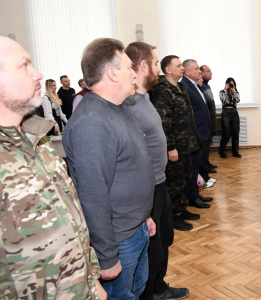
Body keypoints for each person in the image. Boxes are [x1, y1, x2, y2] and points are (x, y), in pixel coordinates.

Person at [0, 36, 106, 299]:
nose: (38, 73)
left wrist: (92, 280)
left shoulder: (39, 139)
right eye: (24, 66)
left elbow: (72, 215)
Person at [63, 38, 156, 299]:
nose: (134, 74)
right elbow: (93, 195)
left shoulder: (119, 109)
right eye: (129, 67)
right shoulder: (91, 123)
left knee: (135, 291)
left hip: (134, 229)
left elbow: (130, 170)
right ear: (112, 73)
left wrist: (144, 216)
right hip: (117, 241)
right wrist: (106, 256)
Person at [124, 43, 189, 300]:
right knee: (152, 247)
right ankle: (150, 293)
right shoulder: (129, 105)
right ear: (143, 67)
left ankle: (159, 287)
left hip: (159, 184)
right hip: (147, 187)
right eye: (154, 64)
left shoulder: (146, 98)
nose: (157, 69)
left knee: (164, 240)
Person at [150, 55, 204, 231]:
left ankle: (182, 209)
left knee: (186, 178)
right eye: (179, 65)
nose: (182, 68)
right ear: (168, 69)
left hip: (186, 145)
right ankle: (173, 217)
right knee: (174, 183)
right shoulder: (162, 90)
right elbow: (163, 122)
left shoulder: (180, 87)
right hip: (175, 148)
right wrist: (170, 147)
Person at [181, 59, 213, 209]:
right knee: (193, 168)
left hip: (201, 132)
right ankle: (193, 197)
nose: (199, 72)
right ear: (187, 72)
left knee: (198, 166)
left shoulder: (194, 85)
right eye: (195, 69)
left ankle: (196, 194)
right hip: (195, 134)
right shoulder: (184, 86)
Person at [200, 65, 218, 172]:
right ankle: (205, 166)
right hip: (206, 121)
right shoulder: (201, 86)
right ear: (202, 74)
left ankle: (207, 163)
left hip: (211, 119)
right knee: (204, 146)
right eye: (208, 71)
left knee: (208, 145)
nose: (211, 73)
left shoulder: (207, 86)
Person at [218, 77, 241, 158]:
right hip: (226, 113)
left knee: (235, 132)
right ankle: (221, 151)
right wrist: (225, 89)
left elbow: (237, 100)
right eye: (229, 83)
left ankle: (235, 152)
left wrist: (234, 91)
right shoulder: (222, 92)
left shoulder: (236, 92)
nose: (231, 85)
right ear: (226, 84)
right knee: (226, 133)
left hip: (234, 112)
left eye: (232, 84)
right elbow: (224, 100)